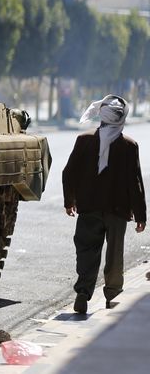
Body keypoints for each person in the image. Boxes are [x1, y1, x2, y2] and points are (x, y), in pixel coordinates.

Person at [62, 94, 146, 314]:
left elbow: (68, 173)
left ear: (102, 116)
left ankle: (83, 293)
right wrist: (141, 216)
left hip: (88, 207)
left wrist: (69, 201)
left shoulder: (84, 140)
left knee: (87, 250)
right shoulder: (129, 145)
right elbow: (135, 183)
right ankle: (112, 295)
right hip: (118, 210)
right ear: (121, 118)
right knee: (115, 254)